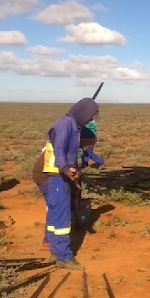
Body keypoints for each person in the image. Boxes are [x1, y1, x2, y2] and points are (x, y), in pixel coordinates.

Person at [43, 98, 99, 270]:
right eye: (90, 116)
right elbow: (59, 150)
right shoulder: (66, 124)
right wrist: (67, 169)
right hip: (58, 175)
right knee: (61, 216)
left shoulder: (73, 125)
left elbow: (69, 153)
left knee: (54, 215)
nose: (91, 120)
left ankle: (54, 251)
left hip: (59, 175)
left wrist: (73, 173)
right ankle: (64, 257)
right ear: (84, 112)